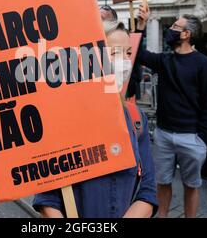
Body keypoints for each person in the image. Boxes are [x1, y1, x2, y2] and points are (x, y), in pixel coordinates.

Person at [33, 21, 158, 218]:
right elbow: (48, 199)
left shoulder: (136, 117)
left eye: (127, 53)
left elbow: (147, 191)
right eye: (115, 52)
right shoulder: (63, 119)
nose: (125, 61)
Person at [136, 6, 207, 218]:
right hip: (163, 134)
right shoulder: (165, 60)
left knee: (192, 185)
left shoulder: (203, 64)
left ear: (186, 34)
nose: (170, 29)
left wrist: (201, 137)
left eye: (175, 26)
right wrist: (141, 26)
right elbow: (137, 53)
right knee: (162, 182)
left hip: (191, 137)